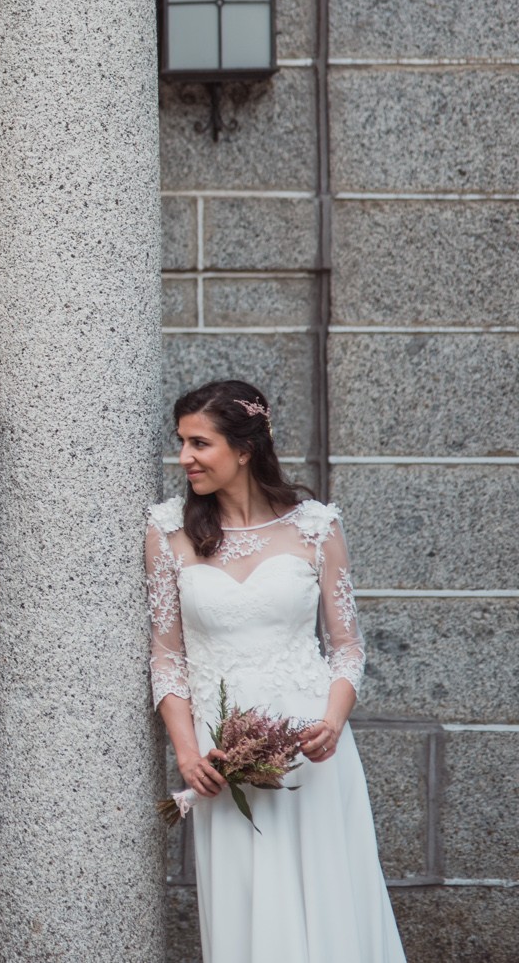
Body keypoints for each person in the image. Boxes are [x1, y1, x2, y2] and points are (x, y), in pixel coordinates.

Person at [147, 380, 406, 962]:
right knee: (247, 903)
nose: (184, 457)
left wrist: (333, 722)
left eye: (199, 443)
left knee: (329, 896)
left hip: (312, 749)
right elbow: (166, 655)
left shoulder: (315, 525)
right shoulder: (168, 531)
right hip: (223, 756)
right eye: (181, 442)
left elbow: (347, 647)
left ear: (244, 449)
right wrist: (188, 753)